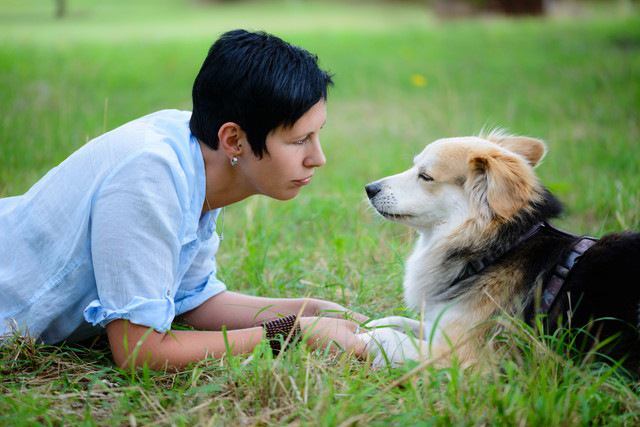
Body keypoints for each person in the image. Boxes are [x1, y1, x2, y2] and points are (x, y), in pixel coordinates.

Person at [0, 29, 371, 370]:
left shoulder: (200, 153)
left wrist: (315, 310)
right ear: (234, 140)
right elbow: (139, 351)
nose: (318, 158)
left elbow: (192, 299)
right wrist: (292, 335)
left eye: (316, 135)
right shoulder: (149, 177)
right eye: (298, 140)